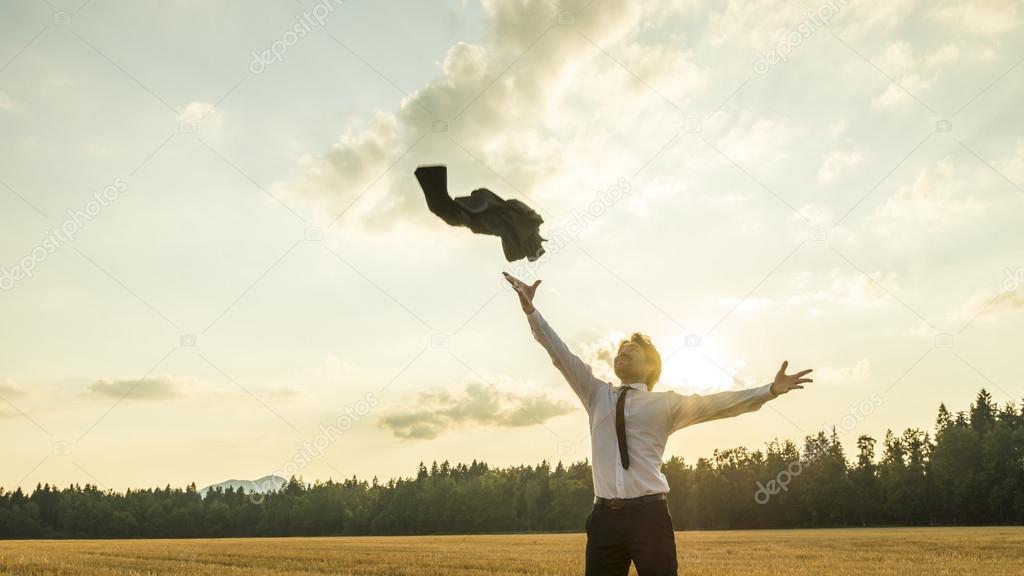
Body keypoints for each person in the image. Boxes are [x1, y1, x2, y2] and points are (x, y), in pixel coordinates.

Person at [502, 271, 812, 576]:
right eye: (621, 351)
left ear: (651, 366)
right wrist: (531, 311)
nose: (623, 353)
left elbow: (719, 404)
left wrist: (769, 391)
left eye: (632, 351)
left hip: (648, 516)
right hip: (603, 519)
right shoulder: (595, 393)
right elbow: (559, 352)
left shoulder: (666, 404)